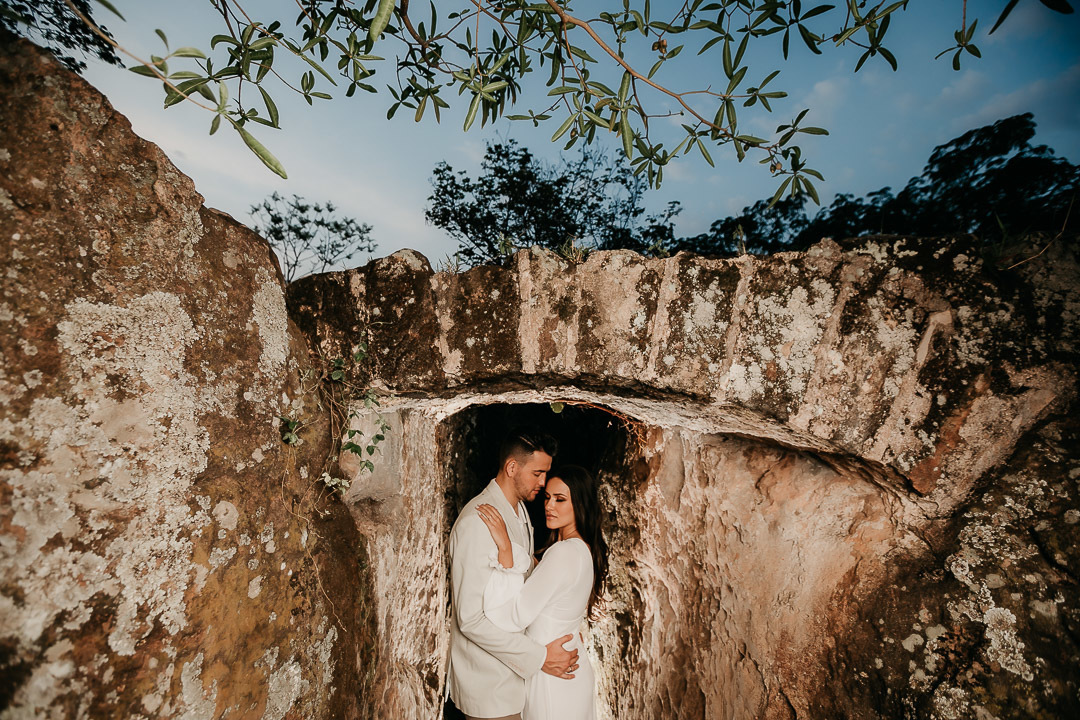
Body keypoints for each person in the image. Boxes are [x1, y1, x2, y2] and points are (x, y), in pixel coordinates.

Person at [448, 427, 581, 720]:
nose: (543, 483)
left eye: (545, 473)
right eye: (537, 473)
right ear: (512, 468)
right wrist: (540, 657)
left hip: (517, 683)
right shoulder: (477, 522)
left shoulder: (520, 511)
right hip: (490, 687)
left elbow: (523, 582)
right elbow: (470, 619)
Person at [475, 465, 609, 720]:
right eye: (547, 497)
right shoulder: (582, 549)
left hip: (553, 677)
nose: (549, 505)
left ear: (580, 504)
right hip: (569, 671)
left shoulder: (564, 552)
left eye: (560, 499)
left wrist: (505, 551)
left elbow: (514, 616)